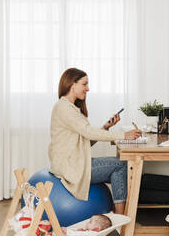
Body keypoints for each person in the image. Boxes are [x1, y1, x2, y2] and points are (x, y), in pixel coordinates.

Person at [48, 68, 142, 214]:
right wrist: (124, 136)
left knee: (120, 166)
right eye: (84, 84)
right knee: (121, 165)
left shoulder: (68, 107)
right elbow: (89, 132)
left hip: (73, 162)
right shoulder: (64, 108)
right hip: (70, 167)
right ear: (72, 84)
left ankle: (121, 217)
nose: (88, 89)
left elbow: (85, 140)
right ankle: (121, 218)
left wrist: (106, 127)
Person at [33, 214, 112, 236]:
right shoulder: (85, 231)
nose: (87, 222)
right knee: (54, 235)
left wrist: (67, 231)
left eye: (90, 222)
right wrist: (66, 231)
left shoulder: (91, 234)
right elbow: (76, 232)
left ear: (96, 229)